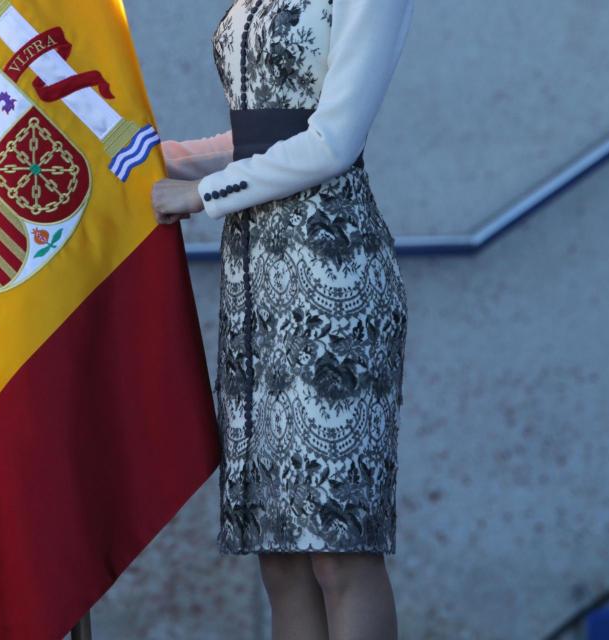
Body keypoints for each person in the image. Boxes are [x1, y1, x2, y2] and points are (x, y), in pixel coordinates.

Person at [152, 0, 414, 638]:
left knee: (337, 550)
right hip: (253, 281)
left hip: (332, 282)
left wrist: (202, 193)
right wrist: (170, 158)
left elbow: (332, 139)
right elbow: (263, 133)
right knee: (281, 558)